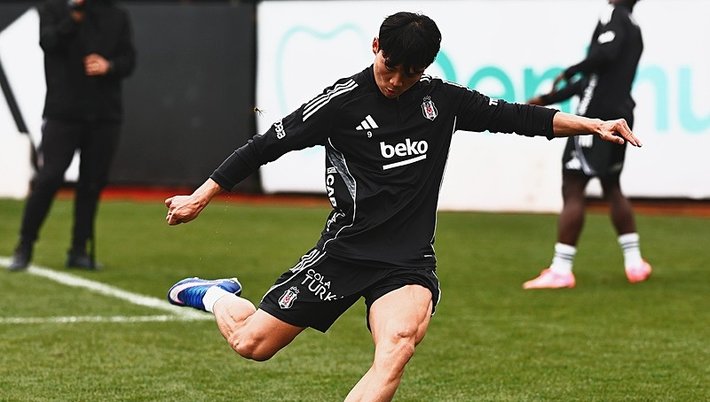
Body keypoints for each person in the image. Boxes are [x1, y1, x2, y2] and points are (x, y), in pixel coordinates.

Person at [164, 12, 641, 400]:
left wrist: (593, 124)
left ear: (427, 67)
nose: (395, 81)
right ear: (375, 46)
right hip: (344, 253)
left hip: (406, 262)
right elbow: (265, 145)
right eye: (388, 66)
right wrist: (199, 196)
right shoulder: (341, 103)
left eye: (409, 73)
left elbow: (518, 117)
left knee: (396, 348)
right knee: (251, 344)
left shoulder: (441, 102)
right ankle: (214, 295)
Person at [523, 0, 651, 290]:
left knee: (573, 184)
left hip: (597, 119)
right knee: (612, 185)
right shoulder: (634, 27)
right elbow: (597, 78)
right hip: (621, 114)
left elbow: (603, 57)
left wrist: (571, 70)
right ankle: (634, 263)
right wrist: (546, 100)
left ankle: (561, 269)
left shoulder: (613, 14)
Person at [7, 0, 136, 271]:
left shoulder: (116, 14)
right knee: (49, 178)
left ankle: (79, 250)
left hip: (105, 114)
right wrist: (73, 16)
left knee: (91, 184)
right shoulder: (54, 10)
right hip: (63, 113)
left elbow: (129, 59)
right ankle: (25, 245)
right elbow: (49, 42)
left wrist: (109, 66)